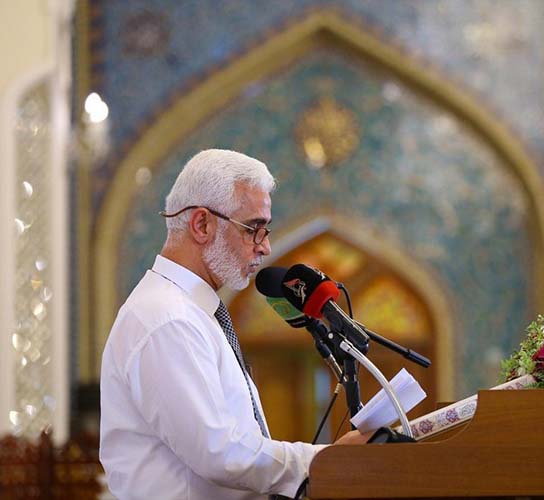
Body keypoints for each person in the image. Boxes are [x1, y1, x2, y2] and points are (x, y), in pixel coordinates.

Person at [100, 149, 370, 499]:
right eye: (253, 229)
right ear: (202, 224)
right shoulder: (167, 318)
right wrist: (327, 460)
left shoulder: (193, 312)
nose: (265, 247)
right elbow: (220, 453)